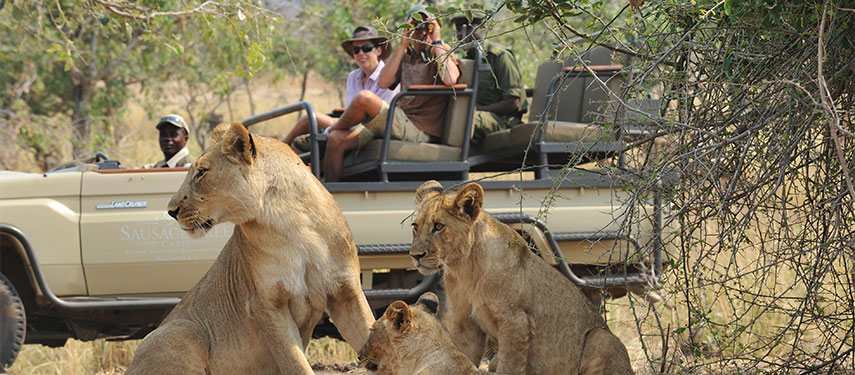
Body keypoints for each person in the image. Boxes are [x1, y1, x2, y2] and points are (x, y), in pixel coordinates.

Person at [320, 5, 460, 182]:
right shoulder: (406, 55)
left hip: (420, 128)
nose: (421, 32)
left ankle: (330, 128)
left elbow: (450, 79)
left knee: (365, 98)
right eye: (415, 27)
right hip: (400, 119)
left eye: (426, 26)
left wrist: (437, 40)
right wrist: (402, 45)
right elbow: (383, 82)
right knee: (336, 139)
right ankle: (333, 196)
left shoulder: (438, 51)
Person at [282, 26, 399, 153]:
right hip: (350, 125)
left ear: (379, 50)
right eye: (356, 50)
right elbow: (350, 110)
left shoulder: (388, 75)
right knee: (303, 134)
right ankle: (278, 150)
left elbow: (381, 115)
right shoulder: (353, 77)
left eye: (366, 48)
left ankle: (275, 150)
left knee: (316, 125)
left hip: (373, 128)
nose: (361, 54)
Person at [451, 11, 527, 145]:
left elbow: (513, 103)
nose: (461, 35)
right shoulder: (465, 61)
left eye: (468, 28)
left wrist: (475, 111)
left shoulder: (499, 56)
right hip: (478, 116)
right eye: (458, 30)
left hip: (502, 120)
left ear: (482, 29)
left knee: (465, 119)